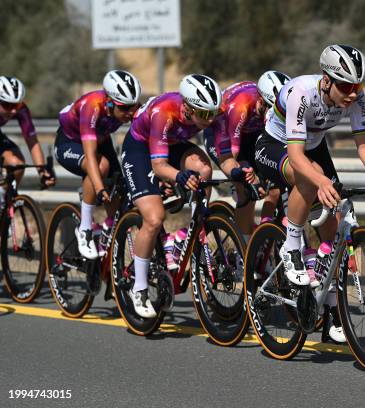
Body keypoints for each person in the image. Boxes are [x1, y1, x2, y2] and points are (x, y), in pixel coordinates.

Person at [254, 44, 365, 342]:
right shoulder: (302, 91)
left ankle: (331, 312)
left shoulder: (356, 99)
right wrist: (321, 181)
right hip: (276, 146)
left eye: (358, 86)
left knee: (334, 231)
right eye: (346, 86)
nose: (352, 93)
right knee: (310, 179)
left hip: (314, 147)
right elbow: (297, 157)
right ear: (326, 80)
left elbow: (364, 144)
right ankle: (291, 246)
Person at [121, 74, 221, 318]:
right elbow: (159, 166)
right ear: (186, 107)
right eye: (205, 114)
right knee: (154, 218)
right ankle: (140, 288)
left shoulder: (202, 115)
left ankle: (191, 229)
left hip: (171, 143)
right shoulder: (164, 112)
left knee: (205, 170)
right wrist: (178, 177)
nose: (210, 120)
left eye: (213, 113)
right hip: (140, 150)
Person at [55, 70, 141, 260]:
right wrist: (100, 187)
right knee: (100, 167)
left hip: (102, 140)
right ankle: (85, 229)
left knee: (120, 191)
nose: (130, 113)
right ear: (110, 102)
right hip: (70, 143)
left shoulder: (129, 109)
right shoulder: (92, 106)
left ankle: (108, 235)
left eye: (133, 107)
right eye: (124, 108)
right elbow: (91, 156)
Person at [204, 70, 291, 240]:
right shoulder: (241, 106)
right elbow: (232, 156)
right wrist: (241, 174)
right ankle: (243, 254)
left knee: (275, 188)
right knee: (246, 189)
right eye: (272, 109)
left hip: (252, 133)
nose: (274, 115)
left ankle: (265, 237)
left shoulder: (273, 108)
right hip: (224, 134)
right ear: (261, 101)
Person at [0, 76, 55, 199]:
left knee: (17, 164)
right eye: (7, 105)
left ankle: (5, 202)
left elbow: (32, 141)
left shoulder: (22, 111)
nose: (14, 111)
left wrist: (42, 171)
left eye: (17, 105)